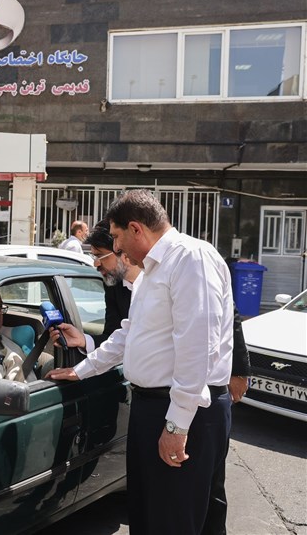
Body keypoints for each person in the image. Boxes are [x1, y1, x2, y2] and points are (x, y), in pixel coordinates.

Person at [47, 190, 234, 535]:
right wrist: (83, 368)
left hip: (185, 411)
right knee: (148, 517)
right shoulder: (152, 271)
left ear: (136, 228)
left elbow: (198, 347)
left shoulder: (190, 258)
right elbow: (129, 333)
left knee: (173, 522)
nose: (117, 247)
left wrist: (177, 426)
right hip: (153, 407)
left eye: (116, 237)